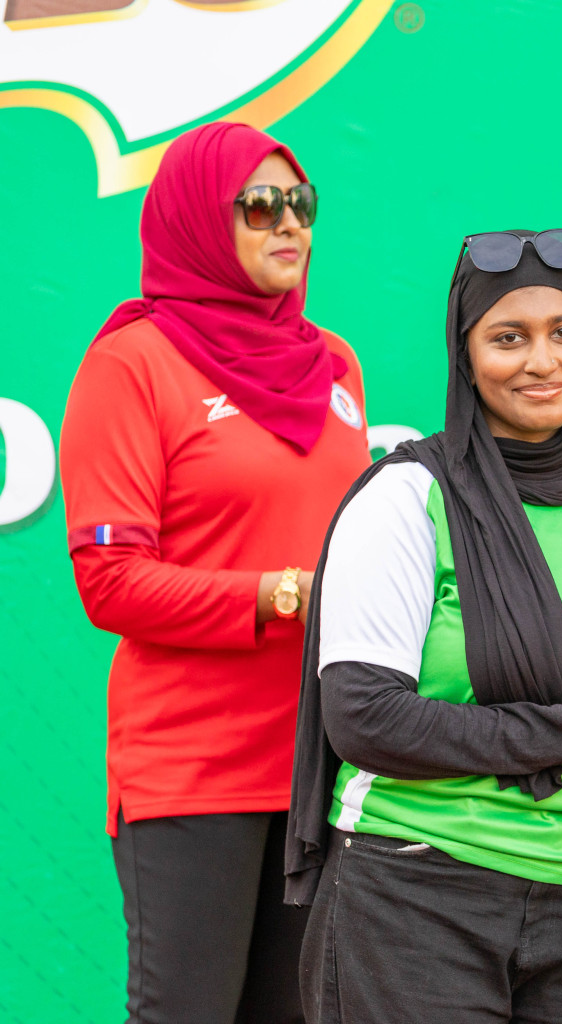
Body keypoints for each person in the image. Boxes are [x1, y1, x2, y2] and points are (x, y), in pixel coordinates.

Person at [286, 229, 562, 1024]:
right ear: (465, 355)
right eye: (507, 338)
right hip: (417, 895)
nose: (542, 362)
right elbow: (364, 719)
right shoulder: (405, 500)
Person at [59, 121, 371, 1024]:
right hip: (194, 767)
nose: (289, 225)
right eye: (259, 205)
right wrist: (284, 595)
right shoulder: (134, 364)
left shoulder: (334, 363)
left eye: (300, 203)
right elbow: (111, 581)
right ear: (201, 218)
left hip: (323, 764)